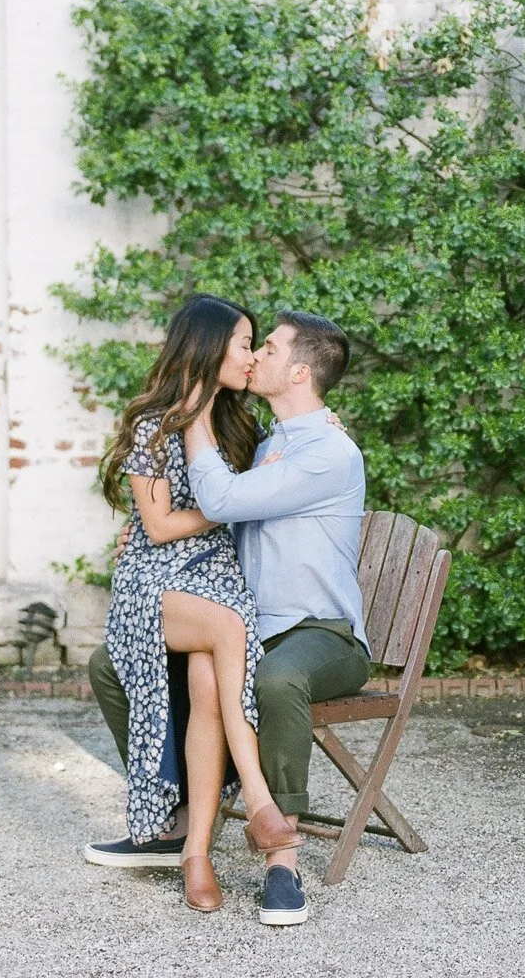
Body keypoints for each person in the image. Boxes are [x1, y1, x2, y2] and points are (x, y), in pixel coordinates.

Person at [88, 309, 369, 927]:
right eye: (248, 345)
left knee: (273, 680)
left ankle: (282, 854)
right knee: (113, 665)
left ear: (297, 371)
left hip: (316, 630)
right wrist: (143, 533)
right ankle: (185, 818)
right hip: (241, 616)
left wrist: (195, 419)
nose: (255, 356)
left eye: (264, 347)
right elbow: (182, 512)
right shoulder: (269, 440)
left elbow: (218, 499)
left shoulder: (324, 454)